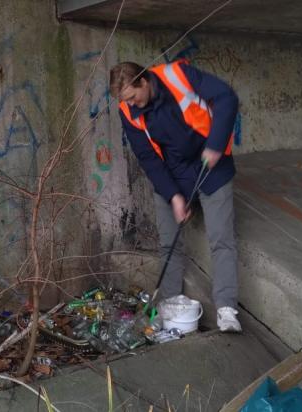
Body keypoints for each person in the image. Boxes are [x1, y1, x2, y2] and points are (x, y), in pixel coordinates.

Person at [109, 59, 242, 333]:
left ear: (143, 82)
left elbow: (226, 97)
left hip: (211, 165)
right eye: (126, 101)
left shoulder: (178, 76)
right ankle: (171, 303)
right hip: (172, 173)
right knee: (169, 242)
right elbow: (147, 157)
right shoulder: (127, 109)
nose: (131, 105)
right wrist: (174, 196)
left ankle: (227, 309)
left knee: (221, 240)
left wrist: (216, 145)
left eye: (133, 97)